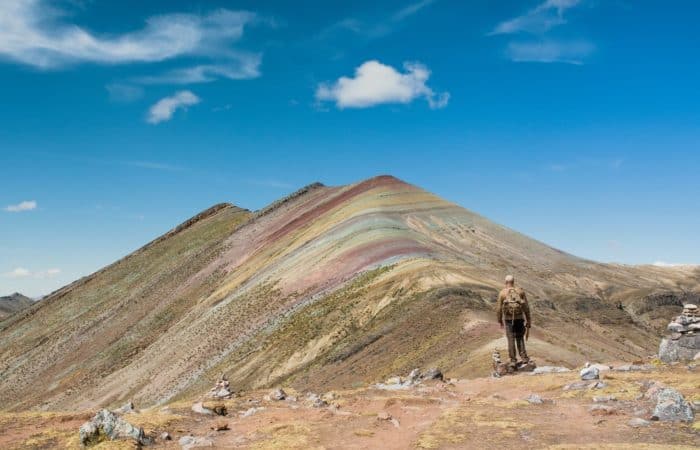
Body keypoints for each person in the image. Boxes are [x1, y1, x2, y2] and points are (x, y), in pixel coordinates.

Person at [496, 275, 531, 367]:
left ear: (505, 282)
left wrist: (500, 320)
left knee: (511, 339)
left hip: (508, 320)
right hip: (519, 318)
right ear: (513, 281)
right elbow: (526, 307)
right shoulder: (520, 291)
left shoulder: (502, 293)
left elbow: (499, 309)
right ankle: (524, 358)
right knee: (520, 338)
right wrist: (528, 320)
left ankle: (513, 361)